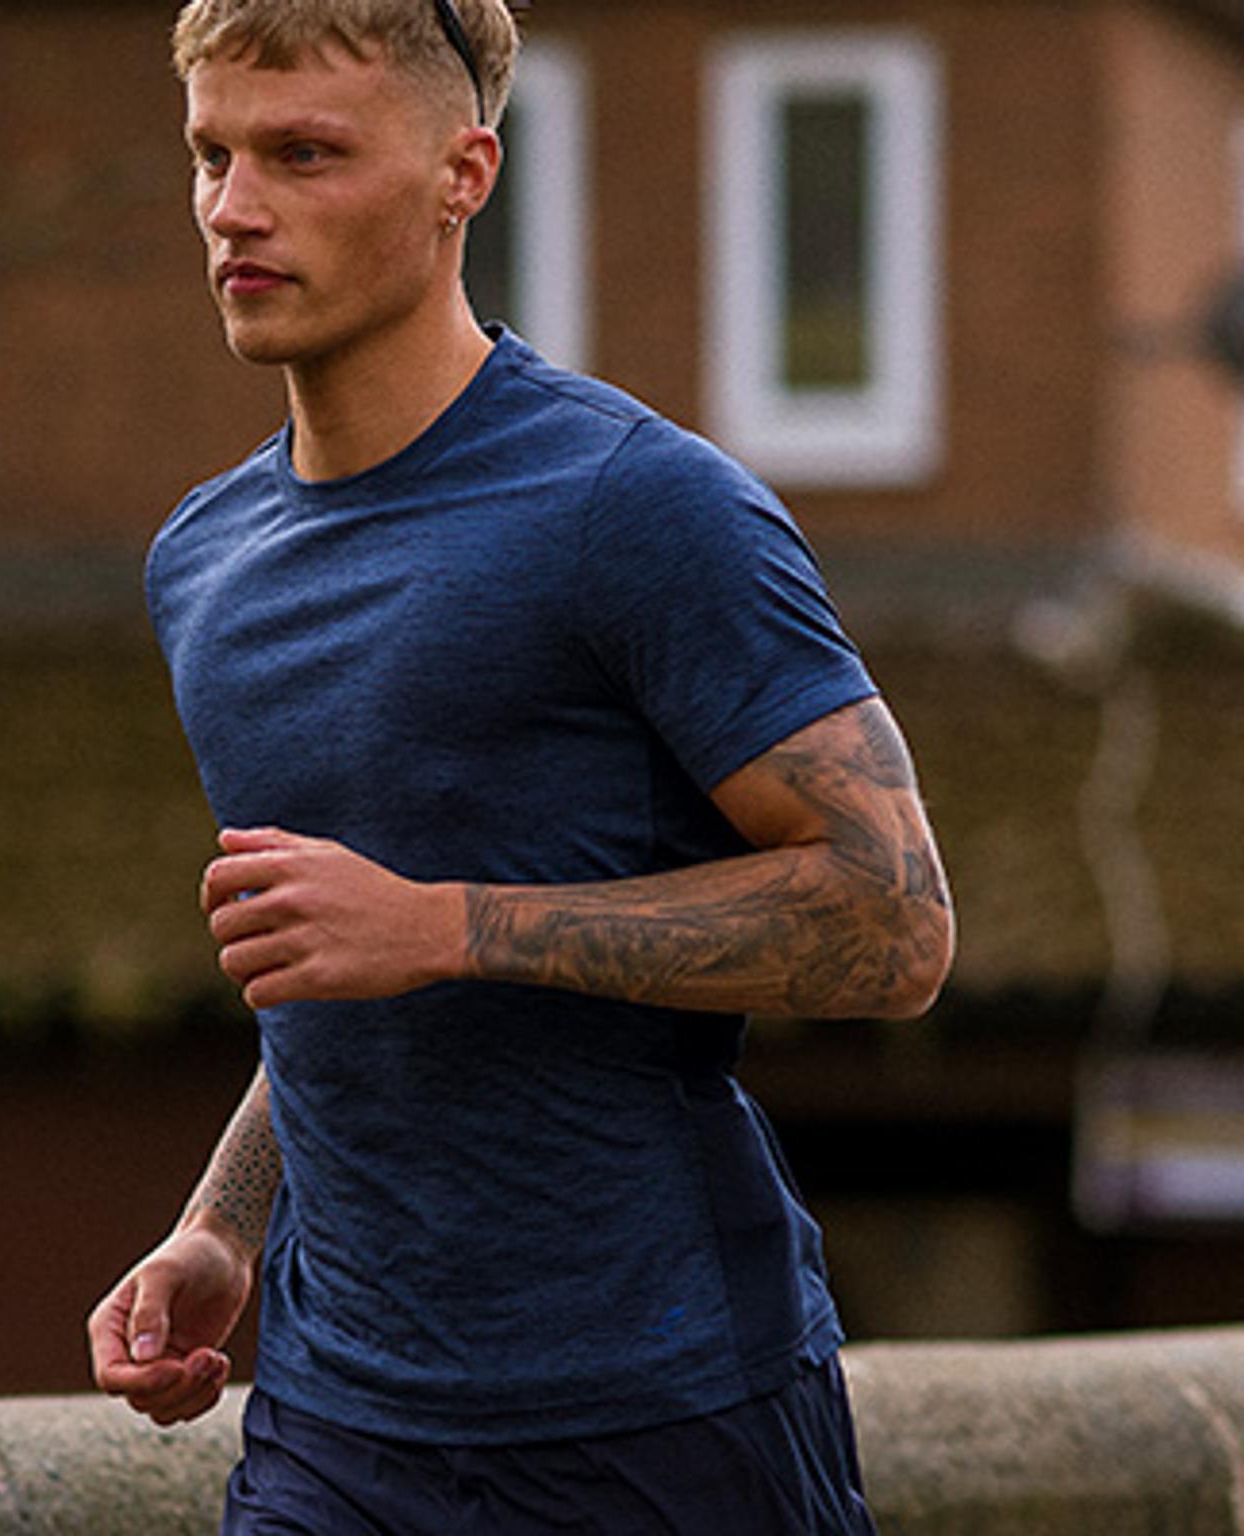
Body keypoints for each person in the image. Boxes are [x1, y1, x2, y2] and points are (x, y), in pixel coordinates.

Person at [87, 0, 955, 1530]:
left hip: (664, 1410)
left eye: (303, 154)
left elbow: (894, 922)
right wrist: (223, 1228)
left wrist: (453, 925)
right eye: (211, 153)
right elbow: (335, 964)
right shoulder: (204, 560)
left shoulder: (640, 507)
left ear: (462, 175)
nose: (234, 207)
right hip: (335, 1422)